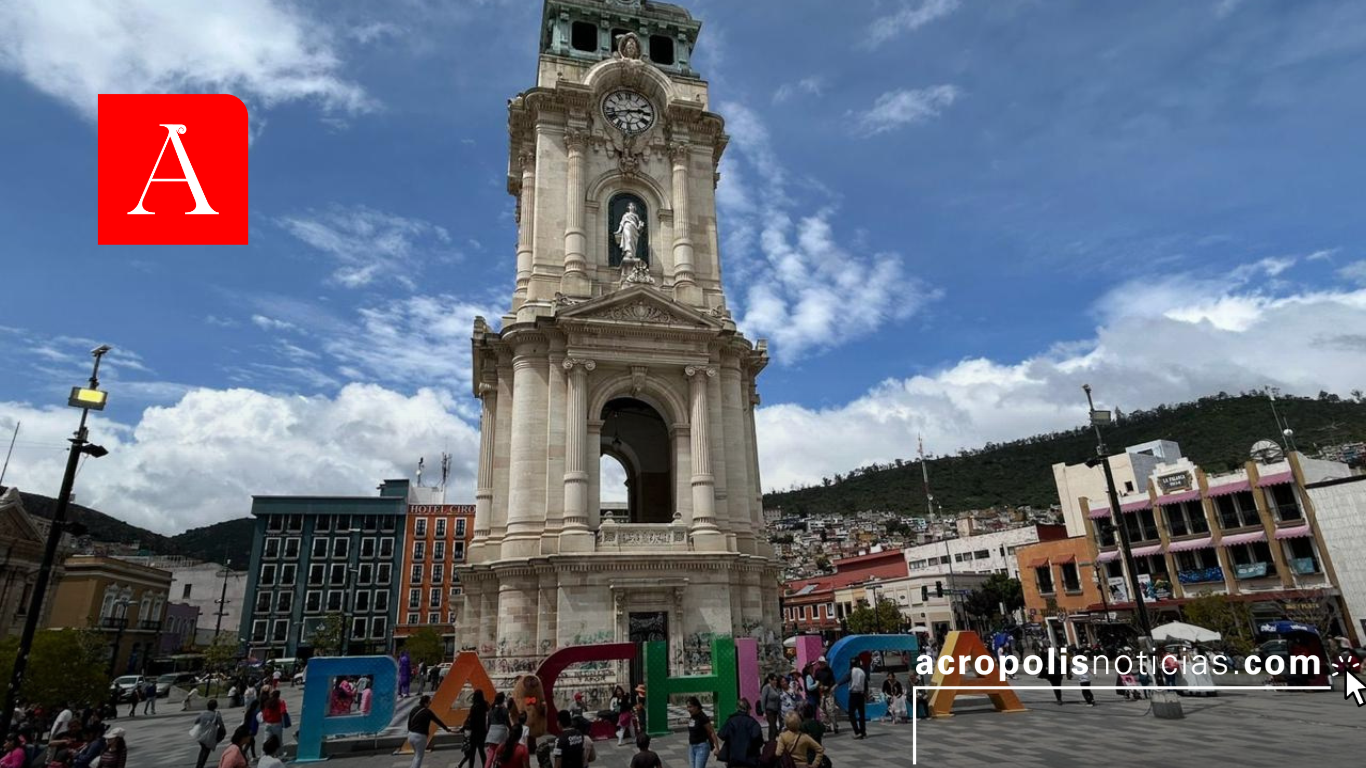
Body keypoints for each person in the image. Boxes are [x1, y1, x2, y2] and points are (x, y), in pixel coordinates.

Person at [406, 695, 453, 768]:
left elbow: (409, 723)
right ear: (425, 703)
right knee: (419, 757)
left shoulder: (414, 709)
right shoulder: (427, 712)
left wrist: (410, 732)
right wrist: (446, 728)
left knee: (416, 755)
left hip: (411, 735)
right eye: (429, 702)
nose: (430, 703)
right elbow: (437, 721)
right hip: (420, 737)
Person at [716, 698, 762, 768]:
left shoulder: (731, 721)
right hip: (750, 759)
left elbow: (722, 735)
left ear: (737, 708)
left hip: (733, 759)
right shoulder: (753, 723)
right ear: (748, 709)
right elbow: (758, 739)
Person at [685, 696, 719, 768]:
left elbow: (711, 732)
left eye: (690, 707)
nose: (688, 709)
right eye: (687, 707)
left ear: (696, 706)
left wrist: (717, 748)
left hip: (702, 747)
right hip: (692, 747)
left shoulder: (702, 717)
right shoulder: (692, 716)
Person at [459, 689, 490, 768]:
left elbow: (471, 720)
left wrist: (464, 727)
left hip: (474, 732)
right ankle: (485, 766)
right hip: (482, 731)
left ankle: (471, 766)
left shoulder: (474, 707)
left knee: (472, 752)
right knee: (481, 751)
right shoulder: (485, 705)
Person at [191, 701, 226, 768]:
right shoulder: (216, 714)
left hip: (201, 735)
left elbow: (196, 722)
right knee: (206, 750)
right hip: (209, 736)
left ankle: (200, 765)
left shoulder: (202, 713)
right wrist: (222, 734)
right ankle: (200, 765)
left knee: (204, 749)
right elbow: (221, 725)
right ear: (215, 706)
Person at [846, 659, 868, 739]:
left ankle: (857, 731)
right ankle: (863, 731)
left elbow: (846, 678)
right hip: (861, 694)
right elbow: (865, 683)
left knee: (851, 713)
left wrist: (837, 685)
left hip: (853, 694)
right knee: (861, 714)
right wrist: (866, 694)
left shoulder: (852, 671)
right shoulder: (862, 672)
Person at [758, 676, 782, 742]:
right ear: (769, 680)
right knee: (773, 727)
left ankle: (771, 741)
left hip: (775, 711)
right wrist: (764, 711)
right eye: (774, 680)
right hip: (769, 710)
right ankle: (772, 742)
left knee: (772, 727)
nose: (775, 682)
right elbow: (763, 699)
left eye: (776, 680)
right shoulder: (766, 688)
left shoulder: (776, 688)